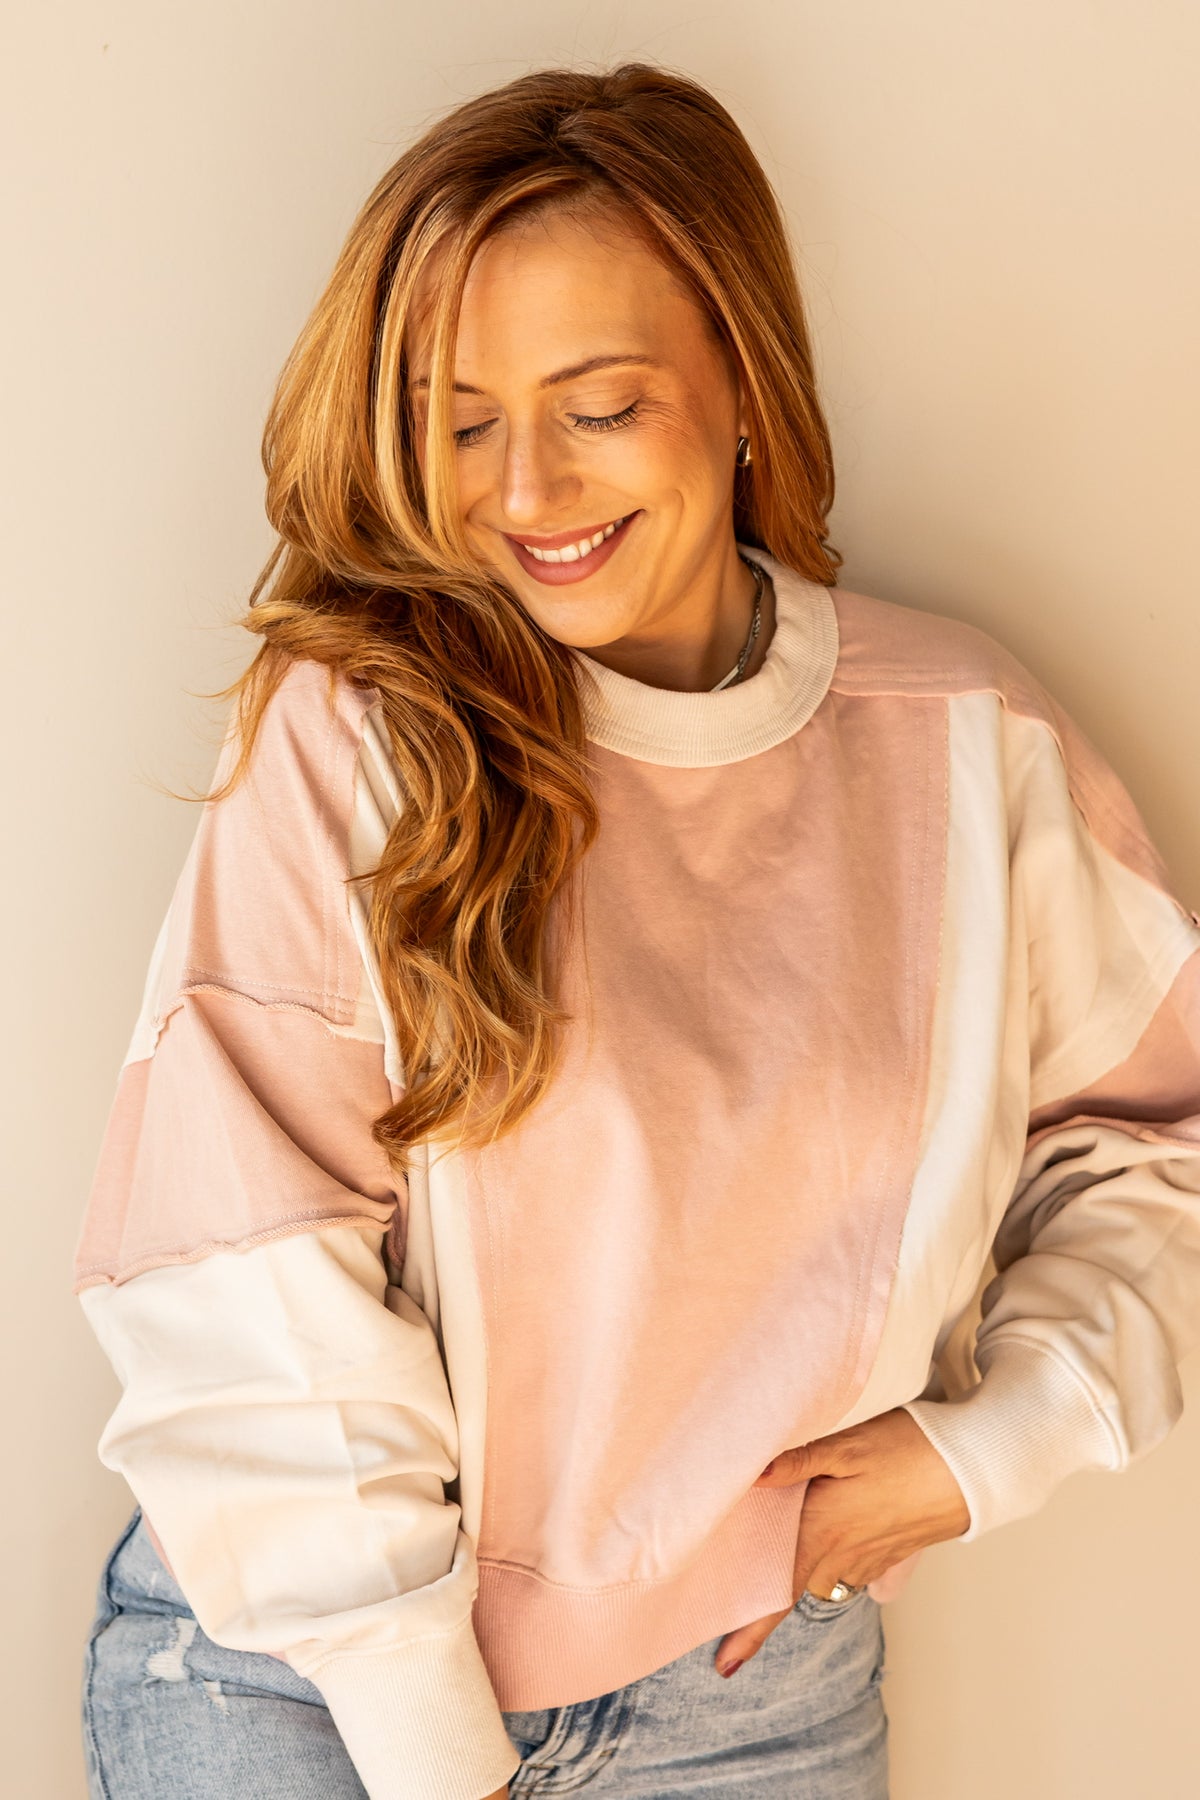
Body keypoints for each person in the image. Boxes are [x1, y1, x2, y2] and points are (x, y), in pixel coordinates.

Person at [72, 60, 1200, 1800]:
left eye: (598, 405)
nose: (527, 486)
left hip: (749, 1699)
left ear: (743, 382)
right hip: (300, 1685)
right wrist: (430, 1736)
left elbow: (1160, 1148)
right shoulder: (358, 732)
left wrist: (996, 1447)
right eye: (460, 421)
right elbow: (241, 1262)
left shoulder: (968, 745)